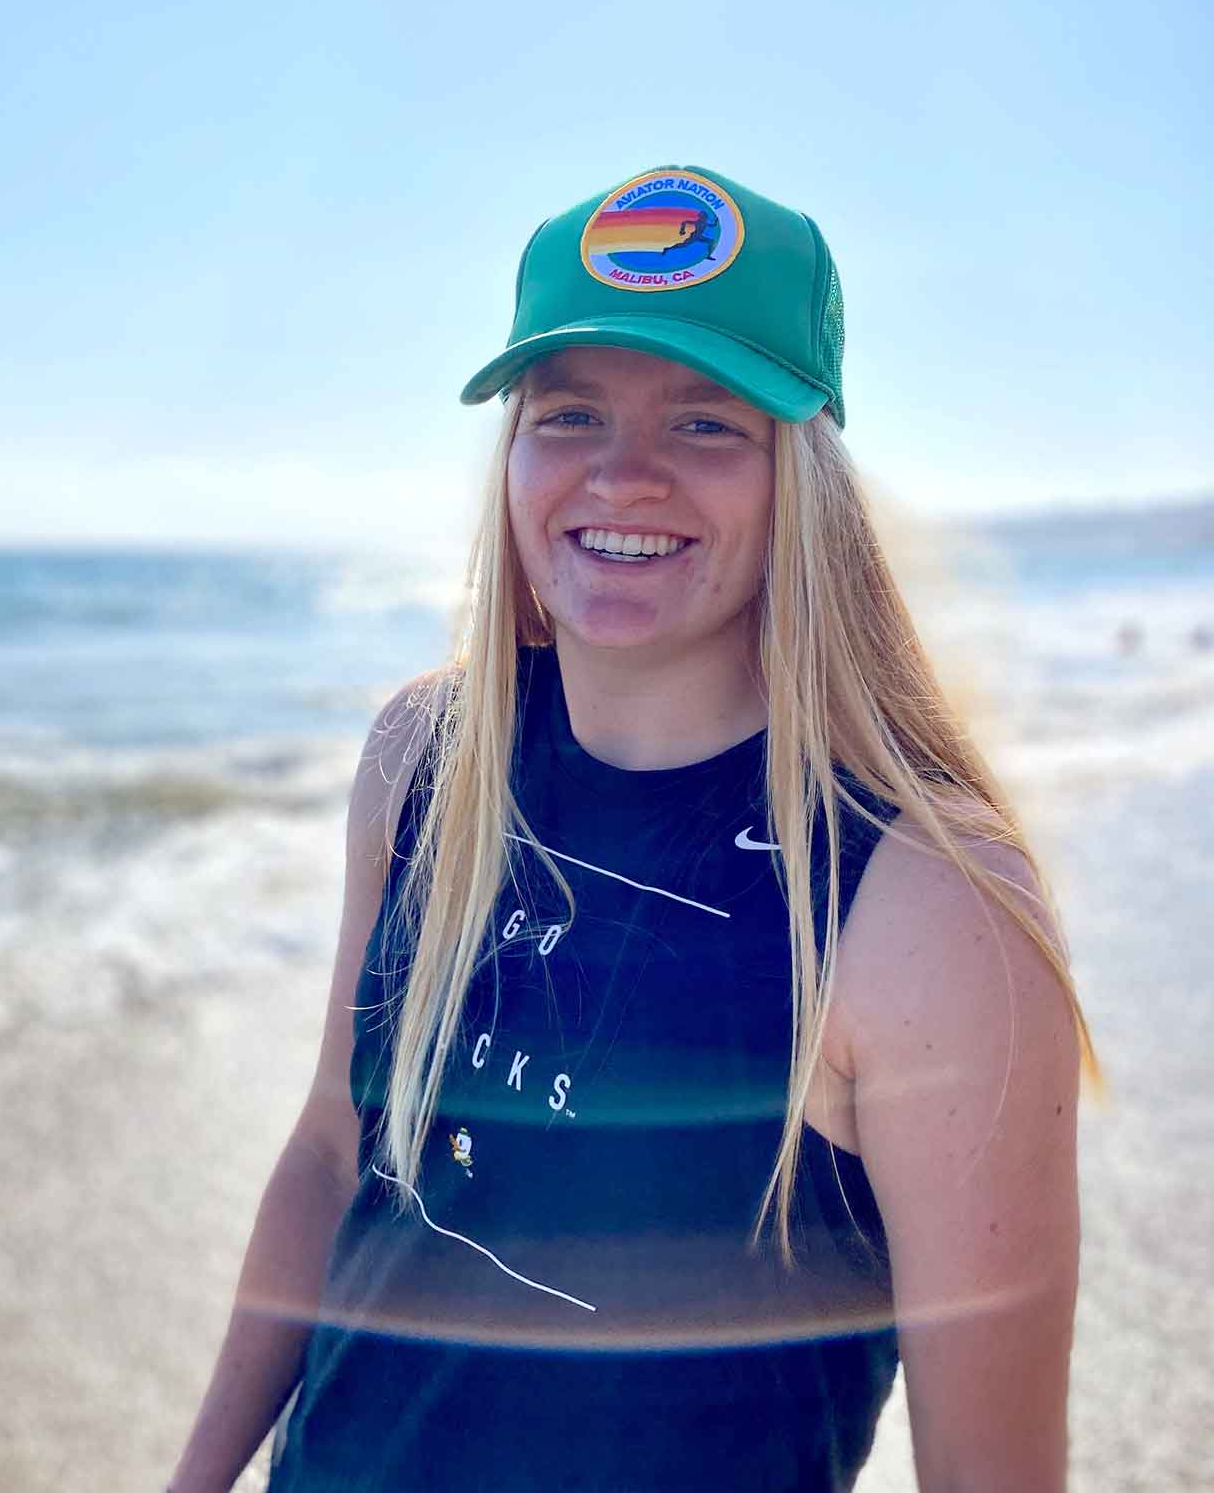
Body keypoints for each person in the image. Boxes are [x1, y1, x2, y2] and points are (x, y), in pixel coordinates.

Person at [166, 164, 1096, 1492]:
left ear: (804, 483)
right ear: (513, 456)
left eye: (707, 423)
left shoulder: (926, 900)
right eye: (570, 414)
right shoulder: (424, 760)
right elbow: (331, 1152)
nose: (622, 475)